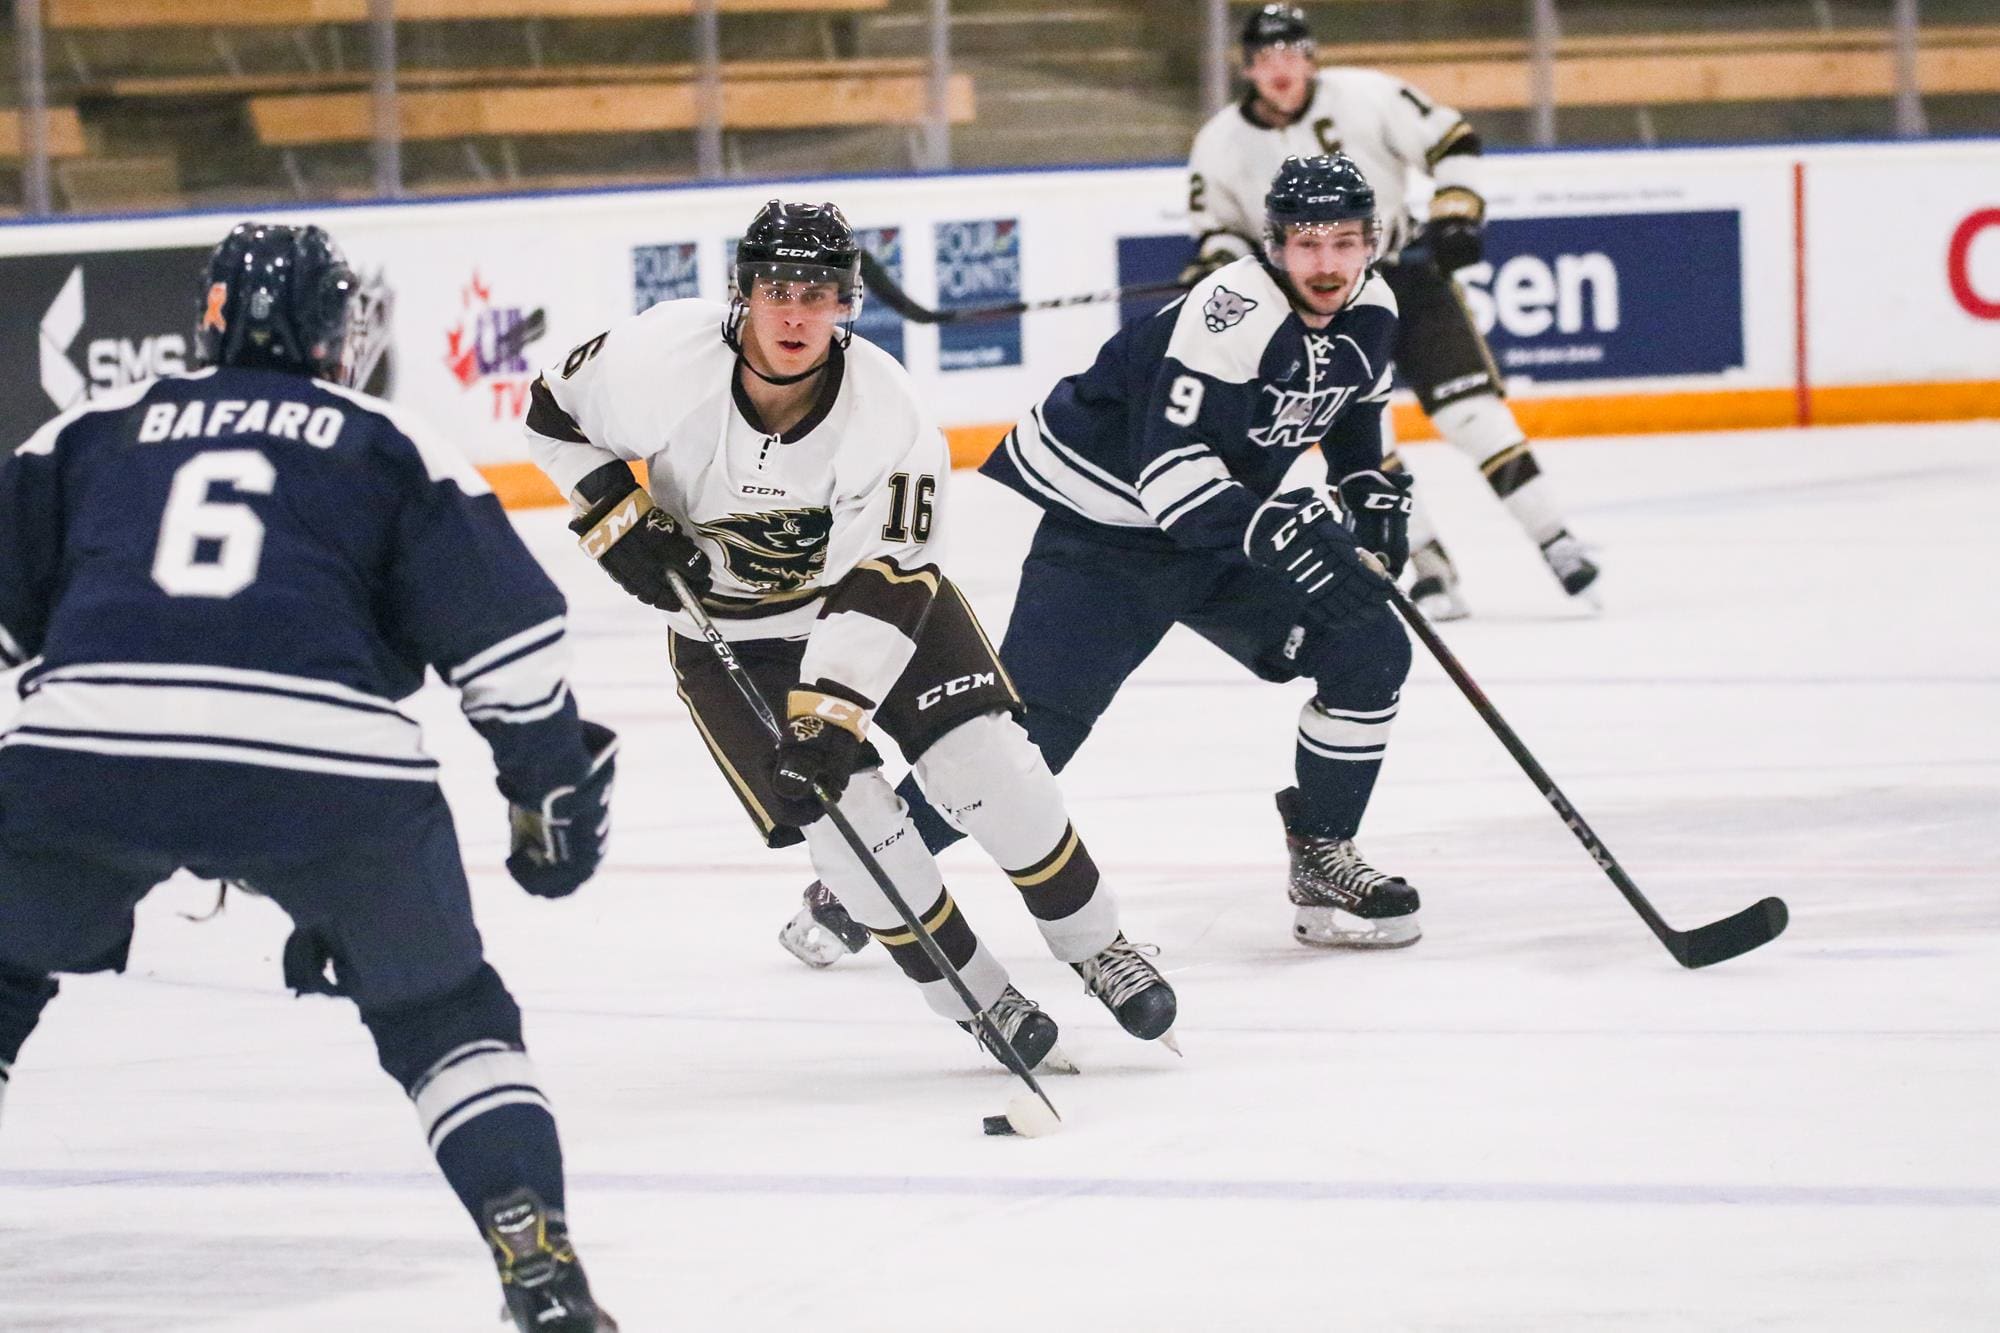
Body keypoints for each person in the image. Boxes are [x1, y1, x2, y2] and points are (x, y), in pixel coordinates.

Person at [0, 224, 619, 1331]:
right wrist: (547, 789)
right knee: (444, 1016)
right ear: (340, 333)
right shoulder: (383, 439)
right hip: (328, 778)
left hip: (88, 759)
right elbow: (508, 645)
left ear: (209, 319)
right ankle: (539, 1262)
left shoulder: (90, 432)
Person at [522, 199, 1177, 1071]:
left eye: (819, 291)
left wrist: (828, 714)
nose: (795, 312)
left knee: (993, 767)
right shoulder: (660, 360)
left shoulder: (887, 410)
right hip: (732, 637)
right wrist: (611, 510)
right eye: (777, 288)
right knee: (854, 832)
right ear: (742, 293)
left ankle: (1097, 945)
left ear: (847, 302)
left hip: (870, 608)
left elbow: (890, 577)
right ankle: (982, 1000)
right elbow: (550, 413)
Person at [782, 154, 1423, 969]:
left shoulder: (1375, 307)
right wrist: (1277, 531)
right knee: (1028, 740)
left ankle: (1324, 855)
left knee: (1370, 649)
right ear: (1274, 246)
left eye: (1344, 242)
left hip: (1225, 523)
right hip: (1109, 529)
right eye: (1306, 243)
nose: (1327, 263)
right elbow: (1171, 476)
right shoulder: (1229, 314)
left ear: (1373, 241)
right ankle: (864, 880)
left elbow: (1355, 415)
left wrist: (1368, 497)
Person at [1184, 2, 1600, 619]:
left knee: (1472, 414)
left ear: (1312, 57)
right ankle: (1428, 565)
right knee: (1365, 442)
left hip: (1403, 277)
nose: (1281, 68)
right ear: (1246, 67)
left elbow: (1452, 139)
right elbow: (1220, 229)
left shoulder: (1367, 96)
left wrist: (1457, 209)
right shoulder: (1219, 143)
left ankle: (1555, 538)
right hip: (1318, 306)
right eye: (1266, 56)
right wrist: (1218, 264)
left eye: (1293, 52)